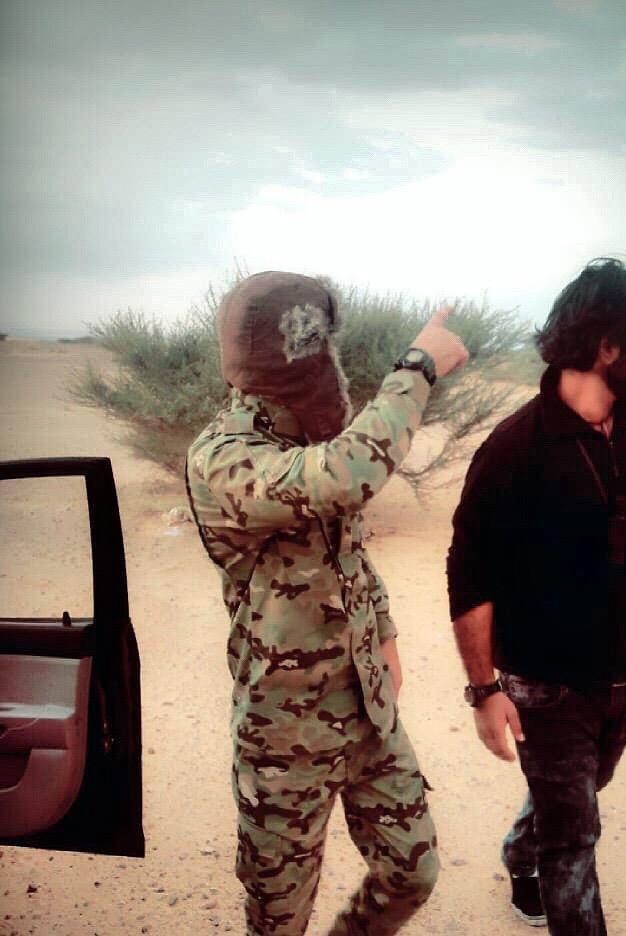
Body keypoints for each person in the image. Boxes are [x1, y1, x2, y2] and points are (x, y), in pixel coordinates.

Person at [185, 271, 468, 936]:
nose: (324, 361)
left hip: (367, 712)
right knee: (279, 918)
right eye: (311, 345)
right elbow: (344, 479)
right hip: (284, 737)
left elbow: (351, 553)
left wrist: (384, 633)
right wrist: (417, 368)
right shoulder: (222, 457)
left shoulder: (312, 437)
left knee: (411, 873)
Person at [446, 258, 626, 935]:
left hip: (625, 668)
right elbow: (469, 573)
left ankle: (519, 851)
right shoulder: (515, 448)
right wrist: (483, 691)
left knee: (583, 789)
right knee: (573, 838)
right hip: (545, 682)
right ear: (606, 346)